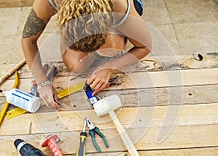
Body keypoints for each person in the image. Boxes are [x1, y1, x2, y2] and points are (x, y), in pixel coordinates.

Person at [21, 0, 151, 109]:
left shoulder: (117, 5)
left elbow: (145, 45)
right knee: (77, 65)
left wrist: (110, 67)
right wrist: (42, 82)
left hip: (117, 10)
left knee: (112, 48)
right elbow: (28, 40)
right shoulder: (47, 2)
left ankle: (111, 39)